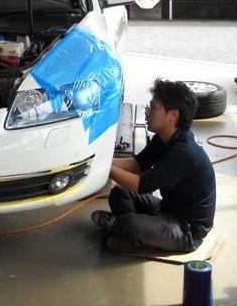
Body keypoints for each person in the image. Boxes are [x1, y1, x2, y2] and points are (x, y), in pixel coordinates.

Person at [91, 79, 216, 253]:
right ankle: (130, 229)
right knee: (119, 193)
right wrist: (100, 159)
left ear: (173, 116)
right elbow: (136, 164)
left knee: (129, 224)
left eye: (153, 108)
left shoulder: (184, 153)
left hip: (187, 229)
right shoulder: (166, 136)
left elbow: (142, 185)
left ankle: (125, 228)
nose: (147, 111)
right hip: (167, 209)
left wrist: (103, 168)